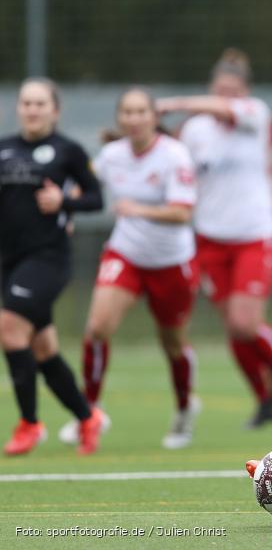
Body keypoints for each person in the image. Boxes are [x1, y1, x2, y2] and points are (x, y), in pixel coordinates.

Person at [58, 87, 200, 450]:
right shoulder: (111, 155)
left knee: (172, 343)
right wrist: (66, 211)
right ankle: (89, 412)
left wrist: (139, 210)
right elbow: (83, 186)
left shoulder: (174, 155)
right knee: (97, 328)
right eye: (128, 112)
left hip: (172, 262)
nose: (134, 119)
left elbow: (183, 212)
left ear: (154, 117)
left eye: (141, 112)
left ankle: (184, 408)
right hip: (126, 255)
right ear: (120, 118)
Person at [157, 50, 272, 429]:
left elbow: (226, 110)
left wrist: (175, 104)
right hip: (210, 239)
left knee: (245, 323)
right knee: (232, 326)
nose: (224, 99)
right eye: (219, 91)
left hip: (254, 235)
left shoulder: (254, 114)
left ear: (243, 93)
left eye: (231, 92)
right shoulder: (196, 131)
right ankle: (264, 400)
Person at [1, 77, 105, 456]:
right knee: (43, 350)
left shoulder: (68, 151)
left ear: (54, 110)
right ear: (19, 108)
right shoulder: (5, 148)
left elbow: (95, 198)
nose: (32, 109)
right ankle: (86, 417)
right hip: (9, 263)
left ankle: (29, 424)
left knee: (10, 332)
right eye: (26, 103)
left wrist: (63, 202)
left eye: (40, 103)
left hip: (48, 259)